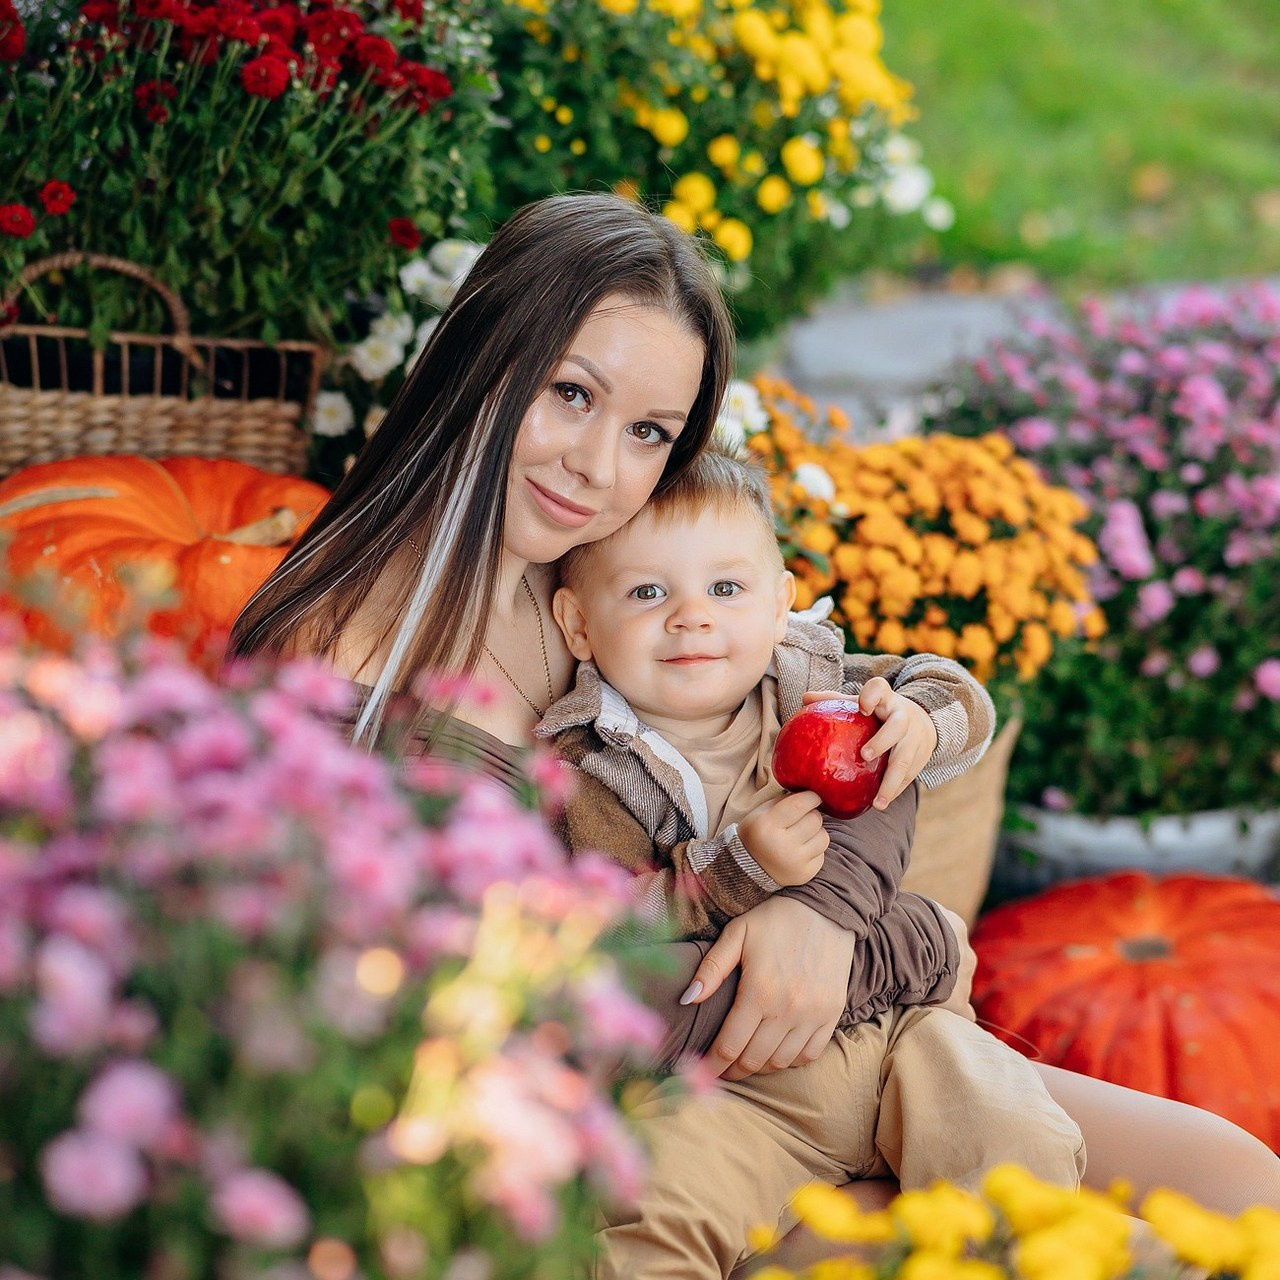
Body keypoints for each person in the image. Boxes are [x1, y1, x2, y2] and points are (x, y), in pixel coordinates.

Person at [229, 191, 1280, 1273]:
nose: (596, 463)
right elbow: (498, 1002)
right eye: (569, 392)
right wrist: (848, 944)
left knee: (1243, 1183)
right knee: (1128, 1257)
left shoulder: (603, 564)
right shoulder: (347, 671)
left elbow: (845, 729)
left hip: (834, 1027)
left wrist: (825, 919)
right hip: (652, 1116)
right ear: (479, 360)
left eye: (646, 431)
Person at [537, 443, 1088, 1276]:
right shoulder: (590, 768)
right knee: (647, 1219)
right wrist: (730, 871)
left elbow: (956, 694)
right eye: (648, 592)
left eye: (727, 589)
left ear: (781, 601)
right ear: (578, 623)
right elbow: (610, 921)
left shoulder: (817, 686)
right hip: (736, 1088)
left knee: (1016, 1144)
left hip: (900, 1035)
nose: (693, 616)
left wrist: (924, 721)